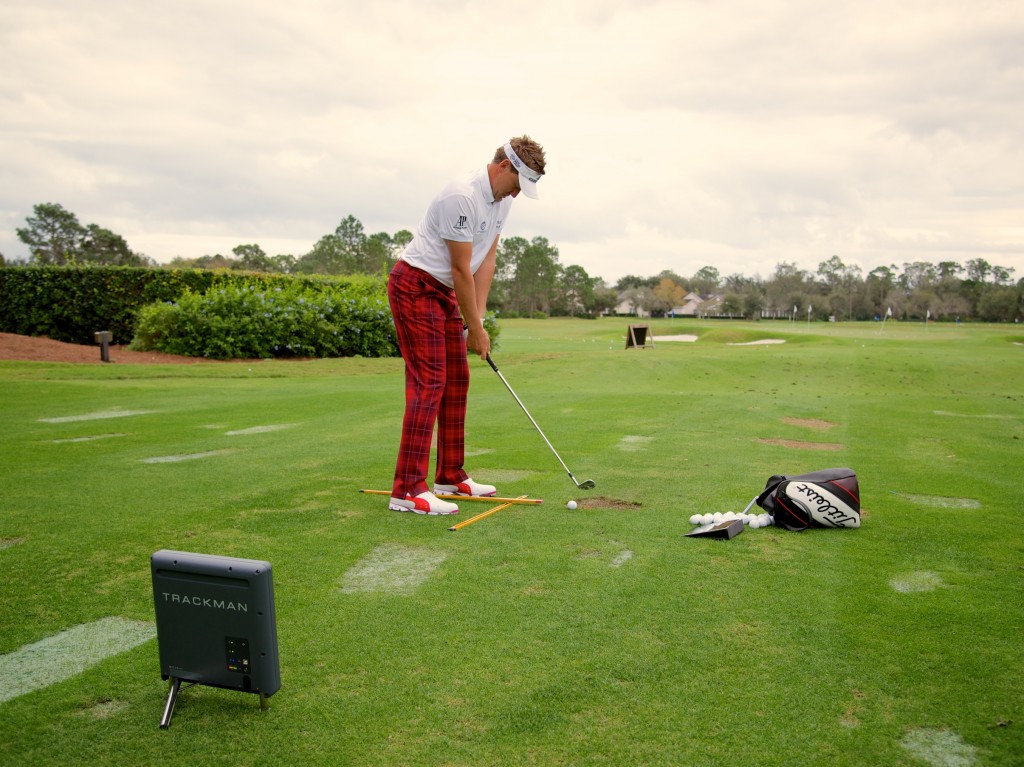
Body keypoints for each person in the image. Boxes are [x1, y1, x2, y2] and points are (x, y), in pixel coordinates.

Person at [386, 136, 546, 515]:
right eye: (518, 185)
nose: (518, 195)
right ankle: (407, 490)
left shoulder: (501, 202)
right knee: (430, 382)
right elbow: (460, 267)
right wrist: (473, 327)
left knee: (457, 379)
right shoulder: (461, 195)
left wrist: (478, 318)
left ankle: (449, 475)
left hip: (446, 293)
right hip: (416, 285)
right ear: (504, 166)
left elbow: (485, 260)